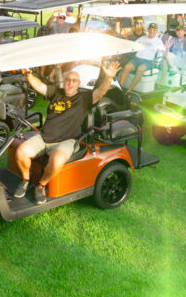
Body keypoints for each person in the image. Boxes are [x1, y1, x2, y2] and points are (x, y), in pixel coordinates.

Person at [12, 60, 121, 203]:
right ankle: (25, 180)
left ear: (78, 83)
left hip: (66, 141)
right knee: (21, 152)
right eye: (68, 80)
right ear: (65, 81)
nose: (70, 83)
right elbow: (40, 86)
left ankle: (40, 186)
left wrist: (109, 77)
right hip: (44, 137)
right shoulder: (56, 92)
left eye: (74, 81)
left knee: (57, 159)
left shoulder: (84, 98)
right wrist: (28, 75)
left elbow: (100, 92)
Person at [120, 23, 167, 92]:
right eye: (150, 29)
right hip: (136, 59)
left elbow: (163, 51)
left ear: (157, 31)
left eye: (154, 30)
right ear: (148, 30)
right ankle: (120, 88)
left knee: (140, 68)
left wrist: (166, 49)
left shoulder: (158, 41)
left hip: (148, 62)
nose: (152, 31)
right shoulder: (142, 38)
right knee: (127, 67)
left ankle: (129, 90)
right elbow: (134, 45)